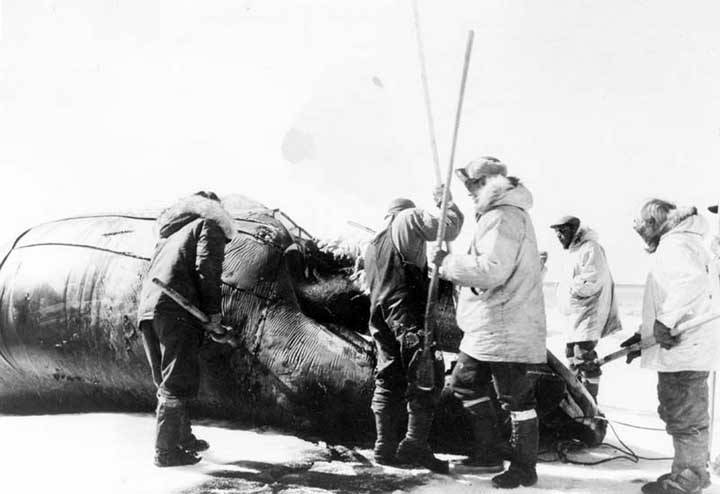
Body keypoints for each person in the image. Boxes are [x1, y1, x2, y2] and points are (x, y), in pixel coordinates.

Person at [432, 156, 547, 488]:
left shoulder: (503, 216)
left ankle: (525, 468)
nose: (468, 191)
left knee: (517, 400)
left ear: (485, 184)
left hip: (506, 325)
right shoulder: (500, 214)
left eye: (471, 185)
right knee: (464, 383)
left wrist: (449, 264)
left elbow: (492, 270)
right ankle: (489, 453)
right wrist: (446, 205)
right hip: (490, 326)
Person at [622, 199, 720, 494]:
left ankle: (689, 477)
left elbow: (691, 283)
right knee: (680, 412)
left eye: (643, 226)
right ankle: (689, 473)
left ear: (654, 223)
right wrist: (643, 337)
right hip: (686, 348)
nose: (642, 234)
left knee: (685, 415)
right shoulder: (685, 242)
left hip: (684, 349)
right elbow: (666, 295)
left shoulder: (675, 246)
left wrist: (664, 322)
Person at [364, 188, 464, 473]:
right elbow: (448, 227)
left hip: (380, 317)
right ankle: (415, 445)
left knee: (388, 376)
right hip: (405, 313)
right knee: (426, 374)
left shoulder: (373, 245)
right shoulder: (407, 218)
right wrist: (449, 205)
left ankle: (383, 447)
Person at [137, 191, 236, 467]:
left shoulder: (171, 235)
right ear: (215, 208)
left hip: (149, 310)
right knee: (177, 381)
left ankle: (182, 437)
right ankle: (166, 451)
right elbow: (207, 267)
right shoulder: (209, 224)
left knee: (167, 380)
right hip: (175, 310)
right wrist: (214, 315)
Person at [550, 216, 622, 401]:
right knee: (571, 357)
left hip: (588, 313)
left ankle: (590, 399)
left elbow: (592, 279)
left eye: (563, 230)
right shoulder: (574, 251)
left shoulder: (590, 248)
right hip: (575, 315)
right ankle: (578, 397)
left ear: (575, 230)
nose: (559, 235)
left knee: (584, 356)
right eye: (557, 231)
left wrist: (573, 291)